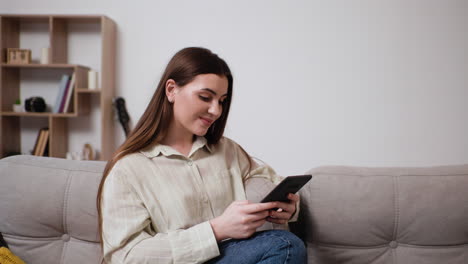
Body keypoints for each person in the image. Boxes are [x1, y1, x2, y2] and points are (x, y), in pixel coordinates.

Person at [97, 47, 307, 264]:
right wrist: (216, 229)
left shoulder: (228, 151)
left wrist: (288, 208)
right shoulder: (128, 169)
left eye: (222, 101)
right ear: (171, 90)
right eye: (205, 97)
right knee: (285, 245)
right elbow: (126, 257)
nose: (216, 110)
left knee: (285, 244)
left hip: (232, 255)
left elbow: (271, 182)